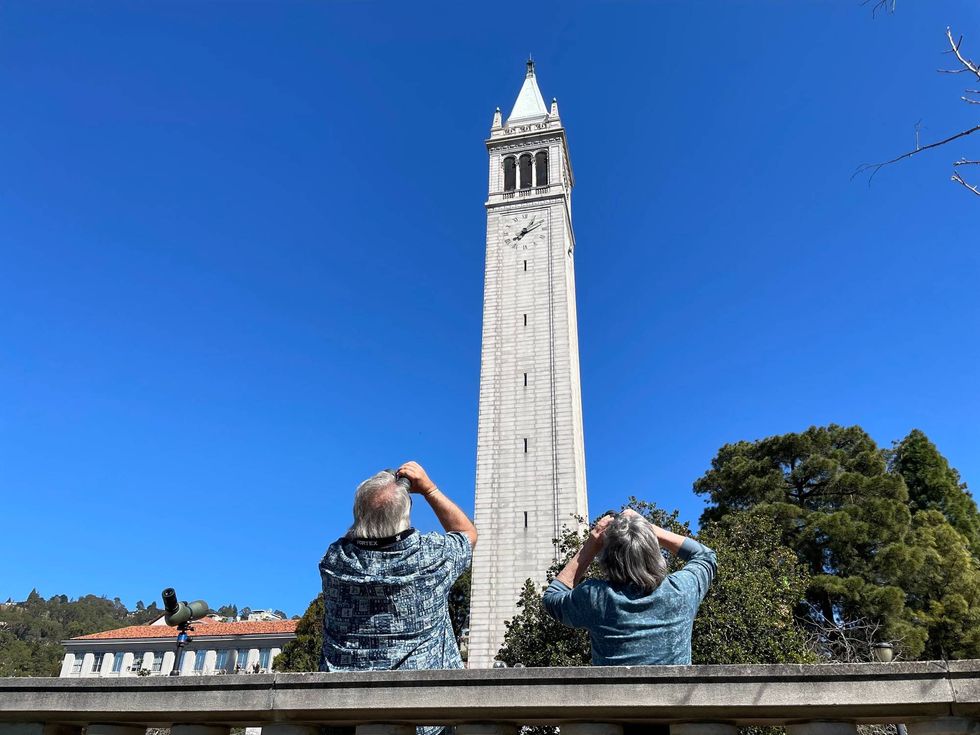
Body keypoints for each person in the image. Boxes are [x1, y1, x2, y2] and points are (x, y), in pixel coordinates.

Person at [319, 461, 477, 675]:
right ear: (406, 514)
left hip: (343, 700)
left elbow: (356, 535)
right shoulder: (432, 556)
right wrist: (430, 490)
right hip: (425, 698)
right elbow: (467, 534)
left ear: (358, 515)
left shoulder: (335, 561)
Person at [542, 508, 716, 665]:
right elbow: (705, 556)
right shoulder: (681, 590)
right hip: (675, 699)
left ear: (608, 559)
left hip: (615, 699)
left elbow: (552, 597)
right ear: (653, 550)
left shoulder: (595, 596)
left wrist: (592, 544)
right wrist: (650, 529)